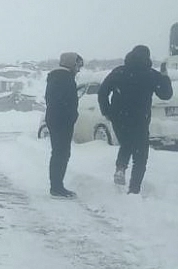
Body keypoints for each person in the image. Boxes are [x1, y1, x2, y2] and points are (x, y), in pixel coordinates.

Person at [97, 45, 172, 194]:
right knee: (140, 155)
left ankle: (120, 167)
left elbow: (102, 92)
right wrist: (164, 75)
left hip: (119, 117)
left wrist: (107, 111)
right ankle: (134, 189)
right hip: (140, 118)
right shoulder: (151, 74)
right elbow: (166, 95)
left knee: (127, 144)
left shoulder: (119, 71)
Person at [45, 52, 84, 198]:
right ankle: (56, 187)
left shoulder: (56, 78)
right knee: (61, 153)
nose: (78, 69)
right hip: (61, 121)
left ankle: (56, 185)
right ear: (71, 64)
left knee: (59, 153)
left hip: (56, 119)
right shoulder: (65, 79)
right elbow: (64, 102)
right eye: (78, 65)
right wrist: (71, 116)